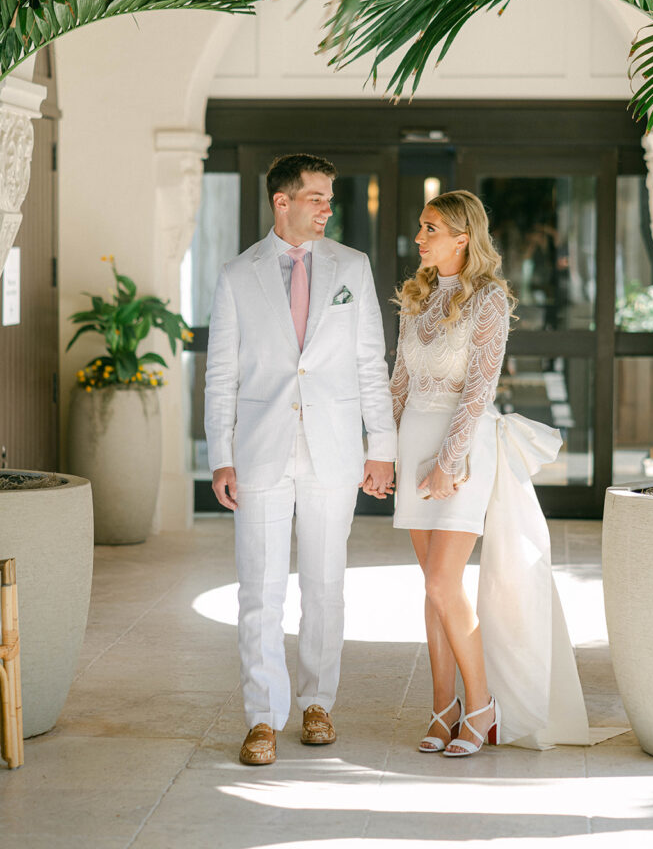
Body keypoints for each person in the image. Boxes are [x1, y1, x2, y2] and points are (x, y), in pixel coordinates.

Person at [205, 153, 396, 766]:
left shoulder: (352, 267)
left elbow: (371, 363)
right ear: (281, 201)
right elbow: (220, 375)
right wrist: (221, 455)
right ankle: (262, 718)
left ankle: (318, 703)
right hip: (259, 452)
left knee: (325, 585)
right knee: (259, 591)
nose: (326, 208)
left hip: (334, 451)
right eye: (315, 196)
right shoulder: (238, 275)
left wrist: (382, 449)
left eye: (329, 197)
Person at [391, 190, 589, 756]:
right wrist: (380, 452)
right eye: (421, 227)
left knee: (441, 583)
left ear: (462, 237)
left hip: (463, 452)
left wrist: (448, 465)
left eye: (431, 229)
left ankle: (481, 707)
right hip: (412, 446)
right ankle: (442, 708)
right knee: (431, 593)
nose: (420, 238)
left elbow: (478, 390)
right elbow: (399, 382)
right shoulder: (415, 298)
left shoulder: (489, 302)